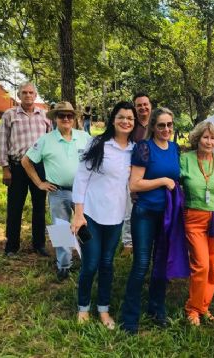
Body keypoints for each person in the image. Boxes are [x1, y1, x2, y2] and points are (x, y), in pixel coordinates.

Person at [71, 101, 137, 328]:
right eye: (121, 117)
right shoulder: (98, 143)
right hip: (91, 214)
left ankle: (104, 309)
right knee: (90, 264)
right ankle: (83, 308)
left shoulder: (135, 149)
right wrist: (78, 214)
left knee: (108, 264)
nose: (126, 121)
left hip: (116, 217)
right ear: (113, 119)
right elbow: (81, 178)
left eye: (130, 118)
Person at [120, 107, 181, 334]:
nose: (166, 129)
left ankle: (157, 308)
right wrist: (163, 180)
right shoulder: (144, 148)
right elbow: (135, 184)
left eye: (169, 125)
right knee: (141, 264)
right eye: (161, 125)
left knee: (161, 263)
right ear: (153, 127)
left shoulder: (174, 148)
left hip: (167, 214)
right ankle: (130, 317)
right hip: (145, 213)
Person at [21, 101, 90, 280]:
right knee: (61, 230)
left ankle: (88, 261)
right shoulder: (46, 140)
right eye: (61, 116)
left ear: (74, 118)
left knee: (85, 227)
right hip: (58, 192)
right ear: (55, 119)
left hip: (82, 193)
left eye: (69, 115)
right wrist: (39, 183)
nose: (66, 118)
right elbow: (26, 161)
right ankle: (64, 265)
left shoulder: (84, 137)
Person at [180, 121, 214, 326]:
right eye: (205, 137)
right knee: (200, 265)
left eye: (212, 138)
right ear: (197, 139)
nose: (209, 141)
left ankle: (204, 306)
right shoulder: (185, 159)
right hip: (194, 217)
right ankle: (192, 308)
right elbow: (175, 188)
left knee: (212, 265)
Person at [0, 82, 52, 257]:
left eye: (31, 93)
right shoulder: (9, 115)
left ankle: (39, 244)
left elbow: (50, 143)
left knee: (39, 207)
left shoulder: (44, 116)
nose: (28, 95)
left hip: (39, 168)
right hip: (17, 166)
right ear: (19, 95)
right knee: (15, 207)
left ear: (36, 96)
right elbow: (2, 142)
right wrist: (5, 168)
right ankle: (12, 246)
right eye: (24, 92)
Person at [121, 92, 153, 255]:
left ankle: (147, 240)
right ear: (135, 108)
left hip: (153, 173)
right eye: (139, 105)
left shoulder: (156, 124)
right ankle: (128, 242)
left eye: (145, 104)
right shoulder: (131, 126)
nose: (143, 108)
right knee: (129, 207)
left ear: (150, 105)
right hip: (132, 172)